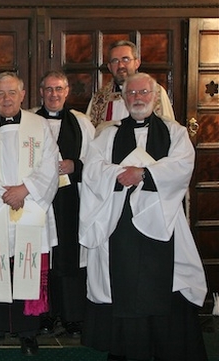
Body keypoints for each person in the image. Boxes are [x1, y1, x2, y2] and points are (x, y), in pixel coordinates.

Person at [79, 72, 208, 361]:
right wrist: (120, 174)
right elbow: (91, 169)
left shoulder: (174, 132)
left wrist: (145, 174)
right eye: (132, 94)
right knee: (121, 281)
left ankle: (167, 349)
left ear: (155, 96)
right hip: (120, 222)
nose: (137, 98)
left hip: (162, 222)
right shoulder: (109, 133)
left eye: (143, 93)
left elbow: (182, 167)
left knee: (166, 282)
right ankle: (126, 349)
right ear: (124, 99)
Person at [0, 72, 59, 355]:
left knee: (25, 267)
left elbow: (50, 165)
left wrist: (25, 190)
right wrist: (3, 196)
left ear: (22, 95)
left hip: (29, 207)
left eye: (12, 93)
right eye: (0, 93)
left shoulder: (39, 125)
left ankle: (28, 333)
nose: (6, 98)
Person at [35, 70, 94, 337]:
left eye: (59, 89)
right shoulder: (30, 122)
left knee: (69, 257)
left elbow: (96, 162)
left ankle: (72, 316)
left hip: (71, 199)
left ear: (67, 91)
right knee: (42, 257)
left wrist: (75, 165)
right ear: (41, 92)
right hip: (38, 201)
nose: (54, 94)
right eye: (48, 89)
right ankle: (44, 314)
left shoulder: (81, 123)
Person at [86, 40, 175, 132]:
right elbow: (90, 133)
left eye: (126, 59)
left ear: (137, 63)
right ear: (109, 67)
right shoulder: (100, 97)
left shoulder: (155, 92)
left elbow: (168, 129)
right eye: (115, 60)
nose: (120, 65)